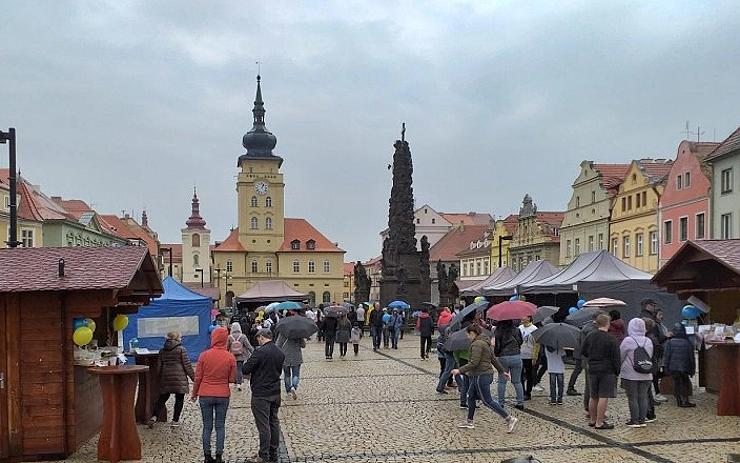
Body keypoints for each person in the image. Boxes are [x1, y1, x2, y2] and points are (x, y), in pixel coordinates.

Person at [451, 324, 519, 433]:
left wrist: (459, 370)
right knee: (471, 396)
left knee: (487, 401)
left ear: (472, 333)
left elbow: (474, 362)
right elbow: (493, 359)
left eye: (468, 335)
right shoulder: (485, 342)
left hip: (481, 375)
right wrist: (502, 371)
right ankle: (469, 422)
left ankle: (509, 419)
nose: (468, 337)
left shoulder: (477, 344)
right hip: (480, 374)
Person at [192, 327, 237, 463]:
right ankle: (219, 456)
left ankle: (207, 456)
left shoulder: (204, 355)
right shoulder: (230, 357)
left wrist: (194, 393)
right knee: (220, 426)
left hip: (205, 393)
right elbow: (232, 378)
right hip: (223, 394)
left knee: (207, 426)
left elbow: (198, 377)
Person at [242, 329, 285, 463]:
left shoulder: (259, 352)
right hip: (275, 391)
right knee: (274, 421)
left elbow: (245, 369)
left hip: (261, 393)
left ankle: (263, 455)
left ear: (261, 337)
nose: (257, 341)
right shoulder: (280, 352)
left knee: (263, 425)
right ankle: (273, 453)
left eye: (258, 338)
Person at [148, 331, 194, 428]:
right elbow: (187, 365)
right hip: (179, 377)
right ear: (177, 338)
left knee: (162, 398)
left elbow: (159, 366)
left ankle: (154, 416)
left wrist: (159, 378)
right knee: (179, 399)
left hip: (166, 376)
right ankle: (175, 420)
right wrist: (194, 378)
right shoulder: (181, 349)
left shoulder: (162, 350)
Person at [582, 313, 620, 430]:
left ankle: (593, 420)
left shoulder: (590, 336)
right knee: (603, 396)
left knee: (593, 396)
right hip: (606, 370)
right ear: (607, 323)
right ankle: (600, 422)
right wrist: (617, 371)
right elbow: (616, 357)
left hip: (592, 368)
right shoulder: (611, 338)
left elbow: (584, 351)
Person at [620, 318, 654, 427]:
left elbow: (621, 355)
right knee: (643, 397)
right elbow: (650, 355)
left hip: (630, 374)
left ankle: (634, 420)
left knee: (632, 397)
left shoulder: (628, 340)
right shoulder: (648, 341)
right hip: (646, 373)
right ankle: (642, 420)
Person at [494, 320, 525, 410]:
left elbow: (497, 347)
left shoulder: (499, 331)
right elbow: (520, 342)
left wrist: (497, 354)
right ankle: (520, 403)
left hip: (504, 357)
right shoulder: (517, 330)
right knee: (517, 381)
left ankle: (501, 403)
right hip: (516, 356)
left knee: (502, 381)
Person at [663, 323, 696, 407]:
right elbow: (691, 358)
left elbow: (667, 356)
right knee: (685, 383)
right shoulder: (688, 343)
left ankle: (679, 401)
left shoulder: (670, 342)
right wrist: (692, 369)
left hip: (673, 367)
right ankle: (685, 400)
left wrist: (666, 368)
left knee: (677, 384)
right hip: (685, 367)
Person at [275, 323, 305, 401]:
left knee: (287, 375)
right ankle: (294, 387)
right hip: (297, 357)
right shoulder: (299, 334)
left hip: (285, 357)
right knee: (296, 374)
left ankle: (288, 390)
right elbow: (303, 345)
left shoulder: (282, 334)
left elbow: (278, 345)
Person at [228, 322, 254, 392]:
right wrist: (254, 353)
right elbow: (248, 346)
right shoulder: (243, 336)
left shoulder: (230, 337)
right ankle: (239, 383)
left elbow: (227, 347)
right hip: (241, 355)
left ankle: (235, 381)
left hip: (232, 356)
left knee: (234, 369)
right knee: (239, 369)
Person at [519, 316, 538, 400]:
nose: (522, 318)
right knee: (520, 375)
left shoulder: (534, 329)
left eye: (524, 316)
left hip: (529, 355)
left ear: (529, 318)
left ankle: (528, 393)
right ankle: (521, 392)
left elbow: (536, 344)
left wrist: (535, 356)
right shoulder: (519, 328)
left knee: (529, 375)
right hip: (520, 354)